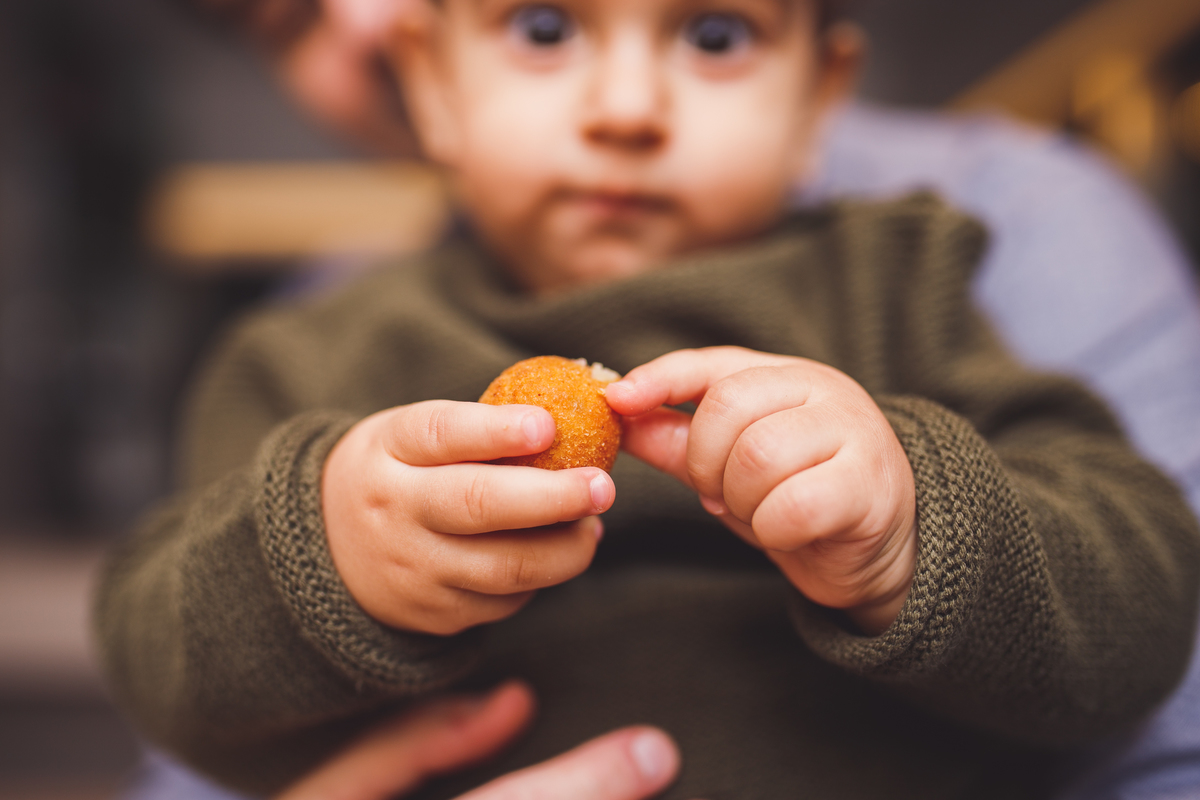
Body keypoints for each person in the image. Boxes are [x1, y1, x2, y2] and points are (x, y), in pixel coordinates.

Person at [97, 1, 1200, 799]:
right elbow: (163, 666)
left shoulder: (903, 283)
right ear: (434, 83)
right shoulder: (308, 350)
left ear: (818, 93)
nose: (626, 107)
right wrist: (320, 554)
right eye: (542, 28)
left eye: (715, 36)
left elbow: (1143, 607)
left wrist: (916, 528)